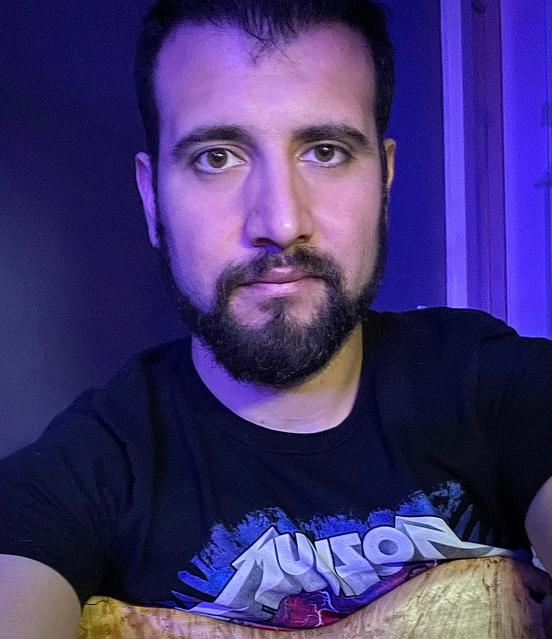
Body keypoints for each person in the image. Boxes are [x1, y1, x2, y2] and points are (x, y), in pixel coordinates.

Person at [1, 0, 551, 637]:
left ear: (385, 178)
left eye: (326, 151)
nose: (282, 223)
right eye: (217, 157)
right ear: (152, 199)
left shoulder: (495, 389)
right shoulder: (85, 470)